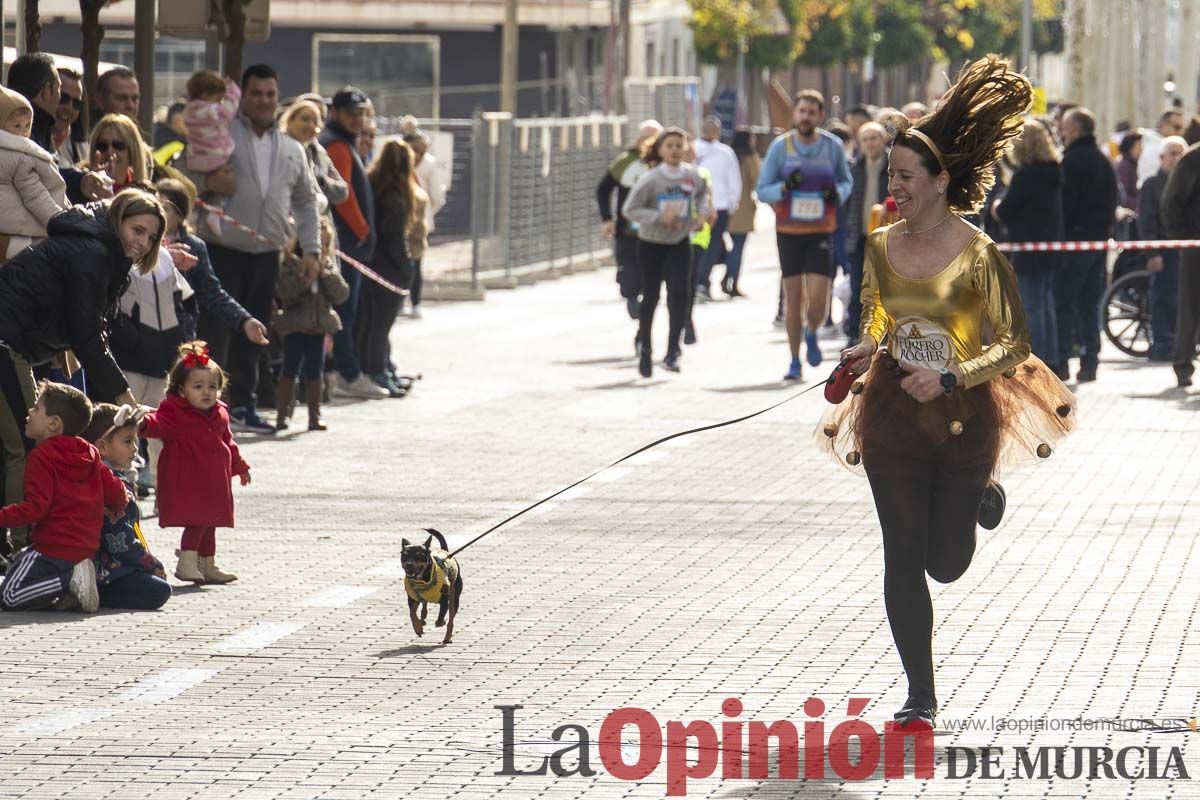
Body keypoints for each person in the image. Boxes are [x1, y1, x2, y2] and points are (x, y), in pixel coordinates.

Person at [823, 56, 1076, 729]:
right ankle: (921, 696)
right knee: (902, 553)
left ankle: (979, 497)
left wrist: (952, 375)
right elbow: (877, 317)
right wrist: (864, 346)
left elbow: (1016, 344)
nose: (895, 185)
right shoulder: (879, 244)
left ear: (940, 181)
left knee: (947, 563)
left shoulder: (979, 252)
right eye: (892, 176)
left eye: (906, 176)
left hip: (964, 411)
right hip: (891, 412)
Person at [0, 190, 167, 561]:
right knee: (30, 444)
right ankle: (25, 546)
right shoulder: (93, 253)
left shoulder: (103, 252)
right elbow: (87, 334)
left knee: (15, 444)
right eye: (136, 230)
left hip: (16, 343)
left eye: (151, 237)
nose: (142, 242)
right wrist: (125, 398)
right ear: (118, 220)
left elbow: (89, 327)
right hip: (6, 341)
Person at [190, 63, 322, 434]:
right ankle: (204, 409)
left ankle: (244, 405)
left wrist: (311, 250)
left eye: (270, 94)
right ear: (243, 96)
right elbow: (184, 173)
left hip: (267, 257)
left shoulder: (293, 149)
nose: (264, 100)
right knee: (214, 330)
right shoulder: (221, 133)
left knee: (255, 332)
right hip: (220, 250)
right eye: (256, 93)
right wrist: (208, 180)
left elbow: (307, 201)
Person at [0, 382, 128, 612]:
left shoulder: (41, 456)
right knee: (18, 563)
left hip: (52, 547)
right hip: (85, 548)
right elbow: (118, 496)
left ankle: (68, 580)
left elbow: (36, 508)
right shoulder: (89, 452)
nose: (30, 412)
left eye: (37, 408)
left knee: (9, 595)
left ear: (53, 423)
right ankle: (71, 587)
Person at [756, 89, 852, 380]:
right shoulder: (780, 148)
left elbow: (846, 183)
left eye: (812, 112)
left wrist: (835, 193)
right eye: (802, 111)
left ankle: (812, 330)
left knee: (819, 301)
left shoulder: (832, 146)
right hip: (789, 232)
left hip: (821, 230)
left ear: (820, 116)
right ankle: (794, 359)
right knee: (793, 298)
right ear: (794, 114)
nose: (806, 117)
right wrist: (783, 189)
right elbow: (763, 190)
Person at [140, 341, 250, 585]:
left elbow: (228, 441)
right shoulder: (175, 412)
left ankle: (207, 563)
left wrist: (239, 465)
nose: (206, 392)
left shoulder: (219, 412)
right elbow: (157, 423)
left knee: (211, 521)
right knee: (198, 520)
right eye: (198, 387)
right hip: (189, 477)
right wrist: (142, 424)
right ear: (181, 390)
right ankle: (187, 561)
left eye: (212, 386)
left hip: (213, 478)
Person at [621, 127, 710, 377]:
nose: (674, 150)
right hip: (651, 244)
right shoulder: (652, 179)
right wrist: (659, 216)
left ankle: (672, 351)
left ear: (686, 149)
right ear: (659, 150)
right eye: (668, 145)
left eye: (678, 145)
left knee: (679, 295)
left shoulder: (692, 177)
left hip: (680, 242)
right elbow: (630, 209)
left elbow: (703, 196)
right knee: (651, 296)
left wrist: (702, 214)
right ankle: (646, 349)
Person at [320, 86, 385, 400]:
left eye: (362, 114)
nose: (358, 119)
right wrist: (362, 232)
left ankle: (340, 370)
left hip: (346, 245)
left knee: (347, 311)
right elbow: (344, 198)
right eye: (351, 113)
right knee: (345, 312)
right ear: (335, 113)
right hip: (346, 246)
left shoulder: (342, 142)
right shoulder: (338, 146)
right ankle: (347, 372)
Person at [81, 403, 171, 610]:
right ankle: (95, 594)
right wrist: (150, 563)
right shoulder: (110, 485)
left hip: (113, 565)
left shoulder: (112, 477)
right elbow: (119, 541)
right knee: (159, 590)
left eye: (135, 441)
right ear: (102, 447)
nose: (135, 448)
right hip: (104, 570)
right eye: (127, 442)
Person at [993, 119, 1064, 363]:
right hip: (1049, 244)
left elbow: (1006, 210)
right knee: (1046, 304)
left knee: (1031, 306)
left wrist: (996, 205)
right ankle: (1052, 359)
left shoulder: (1026, 176)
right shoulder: (1054, 171)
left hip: (1027, 245)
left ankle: (1037, 361)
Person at [1055, 107, 1117, 382]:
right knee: (1090, 304)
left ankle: (1062, 361)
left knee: (1065, 302)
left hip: (1075, 242)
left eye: (1065, 127)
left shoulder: (1070, 161)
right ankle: (1090, 362)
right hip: (1099, 241)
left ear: (1076, 130)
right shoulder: (1103, 161)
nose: (1061, 131)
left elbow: (1064, 204)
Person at [7, 52, 112, 204]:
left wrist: (84, 179)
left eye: (77, 104)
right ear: (46, 91)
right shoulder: (25, 132)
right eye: (62, 95)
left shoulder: (38, 131)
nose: (69, 108)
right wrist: (81, 182)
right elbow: (44, 181)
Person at [275, 218, 349, 431]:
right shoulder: (290, 263)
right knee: (290, 368)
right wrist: (304, 278)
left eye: (326, 244)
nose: (322, 249)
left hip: (318, 327)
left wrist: (325, 276)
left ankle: (314, 414)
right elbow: (283, 291)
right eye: (318, 244)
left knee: (315, 371)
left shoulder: (328, 266)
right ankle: (283, 413)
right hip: (296, 325)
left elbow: (342, 294)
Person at [360, 140, 418, 397]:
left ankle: (382, 368)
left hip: (371, 264)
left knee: (372, 323)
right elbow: (395, 238)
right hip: (390, 270)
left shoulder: (372, 185)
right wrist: (408, 267)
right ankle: (379, 371)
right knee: (382, 325)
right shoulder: (397, 196)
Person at [597, 119, 663, 319]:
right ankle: (633, 299)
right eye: (645, 137)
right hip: (628, 230)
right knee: (629, 274)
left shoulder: (664, 164)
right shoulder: (625, 161)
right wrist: (607, 218)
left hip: (656, 230)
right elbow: (603, 189)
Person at [0, 85, 67, 261]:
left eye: (28, 126)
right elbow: (36, 196)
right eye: (17, 125)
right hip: (20, 237)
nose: (23, 132)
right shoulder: (21, 157)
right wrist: (61, 222)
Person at [1138, 135, 1187, 361]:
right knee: (1162, 298)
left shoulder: (1190, 182)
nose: (1176, 158)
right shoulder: (1151, 185)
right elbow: (1147, 220)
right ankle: (1163, 344)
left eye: (1180, 153)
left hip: (1186, 248)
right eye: (1172, 153)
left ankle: (1181, 343)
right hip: (1163, 248)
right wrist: (1153, 252)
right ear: (1162, 157)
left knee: (1182, 299)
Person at [1161, 136, 1200, 387]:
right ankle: (1183, 364)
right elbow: (1171, 201)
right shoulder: (1193, 159)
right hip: (1195, 245)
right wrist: (1185, 238)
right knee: (1191, 306)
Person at [183, 70, 242, 236]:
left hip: (198, 156)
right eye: (218, 98)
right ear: (205, 95)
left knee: (210, 191)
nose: (220, 102)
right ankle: (216, 212)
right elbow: (228, 112)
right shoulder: (209, 110)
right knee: (228, 186)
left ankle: (204, 215)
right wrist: (233, 91)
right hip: (216, 155)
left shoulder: (189, 111)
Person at [845, 121, 889, 340]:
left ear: (883, 140)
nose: (870, 143)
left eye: (874, 138)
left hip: (887, 239)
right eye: (865, 139)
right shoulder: (853, 168)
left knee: (886, 290)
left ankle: (884, 334)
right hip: (858, 238)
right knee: (857, 288)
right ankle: (854, 332)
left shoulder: (894, 167)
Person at [693, 116, 742, 301]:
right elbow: (734, 180)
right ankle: (701, 281)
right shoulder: (724, 152)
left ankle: (701, 281)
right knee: (711, 244)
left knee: (706, 245)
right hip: (718, 206)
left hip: (706, 207)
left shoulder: (697, 149)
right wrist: (733, 203)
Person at [402, 122, 446, 319]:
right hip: (414, 217)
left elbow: (437, 196)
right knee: (413, 259)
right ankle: (410, 301)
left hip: (415, 218)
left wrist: (427, 212)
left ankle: (412, 301)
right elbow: (437, 196)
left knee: (413, 259)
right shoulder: (418, 163)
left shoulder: (427, 164)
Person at [282, 99, 349, 219]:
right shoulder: (279, 149)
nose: (310, 125)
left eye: (315, 121)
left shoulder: (319, 153)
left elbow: (343, 191)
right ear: (290, 120)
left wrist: (323, 182)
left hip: (319, 227)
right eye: (305, 119)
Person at [723, 129, 760, 298]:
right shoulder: (750, 158)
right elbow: (756, 179)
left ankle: (726, 278)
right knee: (738, 247)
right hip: (743, 207)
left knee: (731, 245)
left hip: (725, 205)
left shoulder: (728, 155)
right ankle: (732, 283)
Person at [87, 114, 151, 192]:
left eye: (118, 145)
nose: (110, 152)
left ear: (132, 151)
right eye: (102, 146)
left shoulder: (145, 192)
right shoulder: (81, 186)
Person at [1137, 108, 1185, 188]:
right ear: (1163, 125)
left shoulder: (1170, 144)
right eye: (1177, 127)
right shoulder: (1155, 148)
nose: (1180, 132)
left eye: (1183, 128)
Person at [53, 66, 86, 169]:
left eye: (77, 103)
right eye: (63, 98)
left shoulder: (84, 147)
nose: (70, 108)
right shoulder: (27, 137)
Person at [1114, 131, 1142, 212]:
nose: (1140, 150)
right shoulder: (1124, 167)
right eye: (1138, 146)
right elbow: (1125, 196)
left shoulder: (1136, 164)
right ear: (1130, 148)